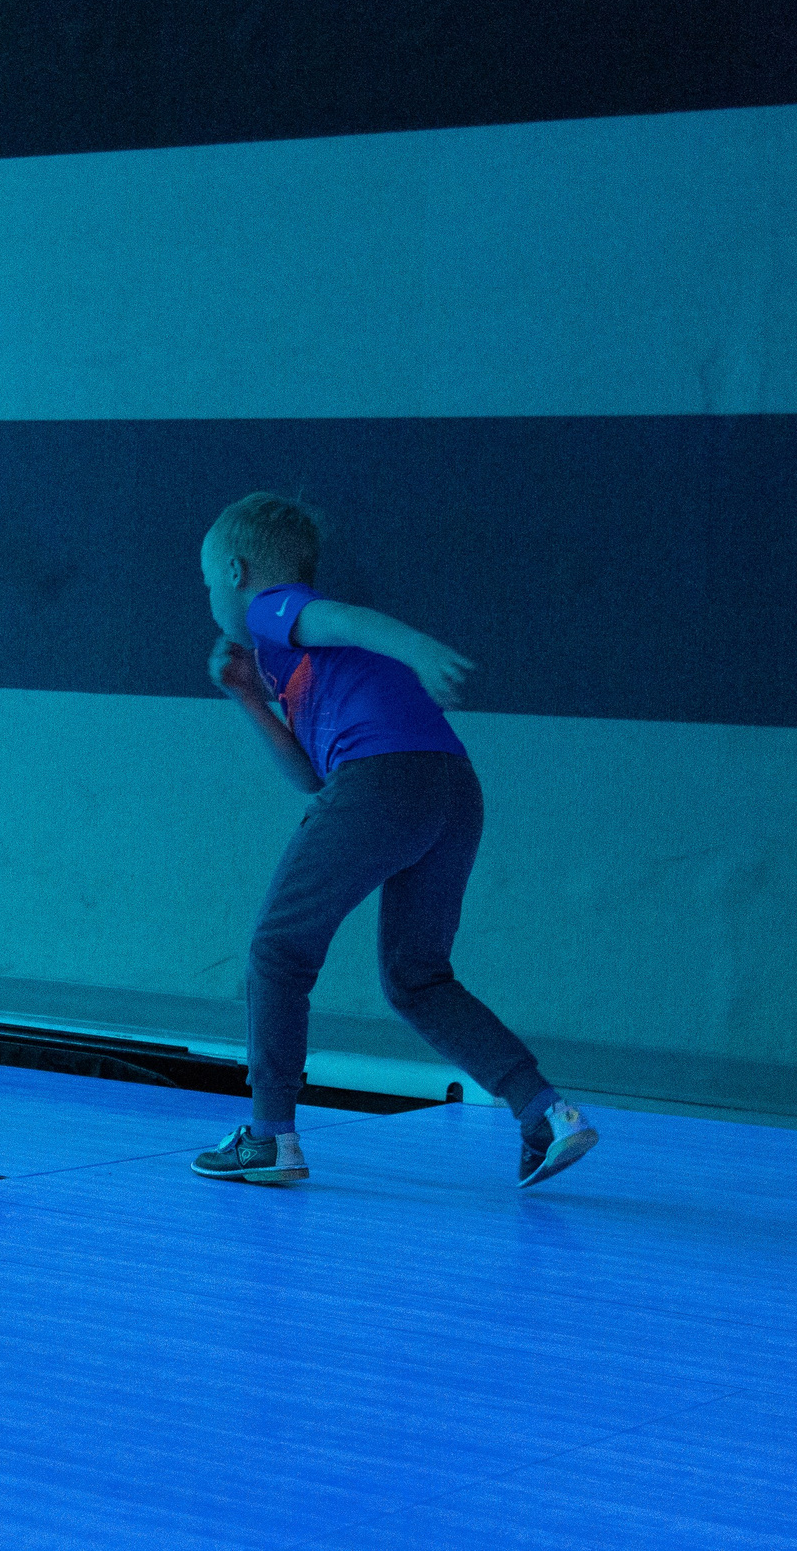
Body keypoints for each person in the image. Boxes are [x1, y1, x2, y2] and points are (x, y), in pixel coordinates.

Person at [190, 492, 597, 1190]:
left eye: (206, 583)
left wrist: (417, 647)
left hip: (383, 781)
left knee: (278, 950)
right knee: (418, 976)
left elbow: (342, 616)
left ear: (234, 570)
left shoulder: (271, 609)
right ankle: (546, 1113)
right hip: (451, 789)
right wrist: (249, 697)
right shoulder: (297, 661)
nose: (209, 599)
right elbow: (311, 778)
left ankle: (270, 1136)